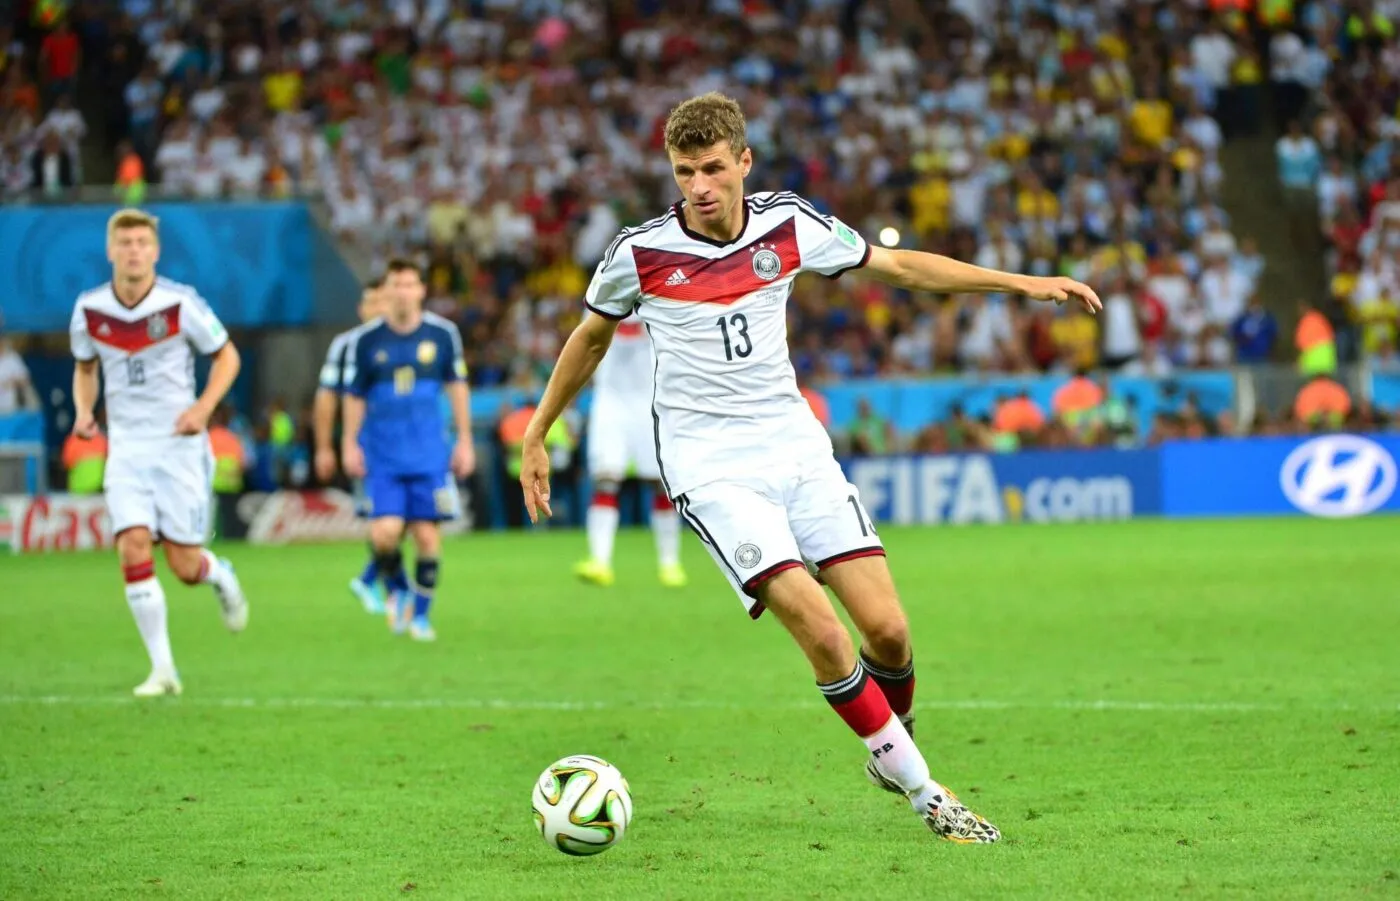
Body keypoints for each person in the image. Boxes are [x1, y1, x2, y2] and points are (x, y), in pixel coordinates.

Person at [518, 93, 1101, 844]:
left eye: (714, 168)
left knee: (888, 631)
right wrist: (538, 432)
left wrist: (1020, 284)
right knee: (823, 633)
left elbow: (899, 267)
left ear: (744, 163)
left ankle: (894, 741)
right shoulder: (640, 252)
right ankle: (930, 794)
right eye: (685, 170)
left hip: (795, 444)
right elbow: (589, 339)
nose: (699, 185)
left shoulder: (787, 223)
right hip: (711, 466)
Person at [69, 208, 249, 698]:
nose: (133, 250)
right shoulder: (88, 310)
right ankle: (163, 669)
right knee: (131, 543)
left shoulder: (180, 303)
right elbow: (85, 368)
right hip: (126, 448)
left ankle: (219, 573)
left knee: (185, 567)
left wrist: (203, 409)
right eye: (124, 242)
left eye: (142, 242)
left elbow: (227, 356)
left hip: (179, 448)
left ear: (155, 251)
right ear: (110, 250)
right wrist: (85, 411)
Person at [341, 259, 474, 642]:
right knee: (384, 534)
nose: (402, 292)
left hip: (430, 454)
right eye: (395, 285)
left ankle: (420, 617)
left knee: (429, 540)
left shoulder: (443, 334)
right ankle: (398, 589)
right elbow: (354, 396)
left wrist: (464, 440)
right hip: (383, 455)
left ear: (421, 290)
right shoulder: (367, 341)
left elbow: (458, 387)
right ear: (386, 292)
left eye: (409, 284)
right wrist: (349, 442)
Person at [575, 310, 686, 588]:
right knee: (606, 479)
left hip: (650, 399)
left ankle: (670, 564)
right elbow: (588, 341)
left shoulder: (657, 292)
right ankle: (599, 561)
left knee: (661, 484)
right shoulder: (600, 294)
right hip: (610, 401)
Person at [312, 277, 400, 615]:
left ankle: (378, 584)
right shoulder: (347, 345)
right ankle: (387, 588)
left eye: (383, 301)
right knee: (387, 521)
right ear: (361, 309)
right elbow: (327, 397)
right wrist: (325, 447)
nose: (378, 309)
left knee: (398, 520)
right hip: (369, 448)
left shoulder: (409, 337)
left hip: (407, 449)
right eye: (371, 303)